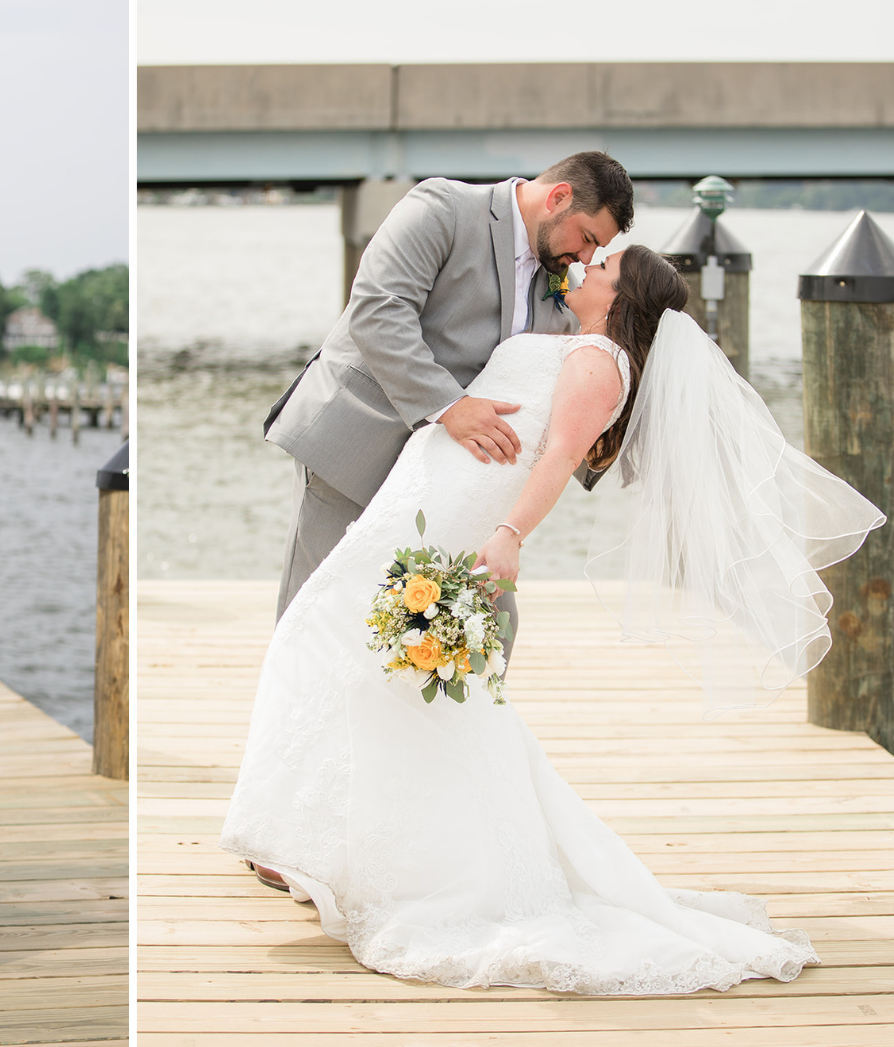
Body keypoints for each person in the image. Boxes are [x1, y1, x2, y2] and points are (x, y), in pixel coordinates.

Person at [221, 246, 886, 993]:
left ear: (619, 293)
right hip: (425, 502)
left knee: (329, 639)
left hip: (454, 517)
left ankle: (364, 854)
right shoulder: (583, 345)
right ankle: (338, 846)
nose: (589, 262)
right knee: (357, 660)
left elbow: (559, 456)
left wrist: (506, 537)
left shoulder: (600, 360)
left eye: (604, 262)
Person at [264, 151, 635, 630]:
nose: (585, 258)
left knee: (489, 629)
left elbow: (565, 383)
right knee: (318, 617)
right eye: (586, 238)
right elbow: (378, 310)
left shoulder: (557, 279)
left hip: (450, 485)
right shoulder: (443, 208)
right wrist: (450, 406)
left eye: (596, 249)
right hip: (358, 445)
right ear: (558, 197)